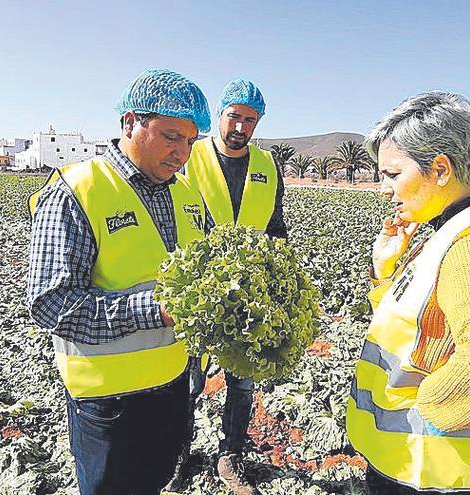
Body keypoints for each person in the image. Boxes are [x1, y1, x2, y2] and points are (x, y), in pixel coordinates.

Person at [26, 68, 211, 495]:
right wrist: (157, 310)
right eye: (170, 136)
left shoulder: (185, 194)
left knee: (155, 483)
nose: (182, 153)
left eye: (190, 140)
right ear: (130, 122)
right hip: (108, 402)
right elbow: (51, 303)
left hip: (171, 387)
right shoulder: (77, 191)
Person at [345, 92, 470, 494]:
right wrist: (384, 273)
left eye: (393, 174)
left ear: (441, 170)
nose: (384, 188)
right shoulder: (448, 229)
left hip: (427, 472)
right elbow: (423, 330)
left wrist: (427, 410)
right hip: (409, 464)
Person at [180, 79, 287, 495]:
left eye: (250, 119)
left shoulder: (266, 165)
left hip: (249, 296)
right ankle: (178, 455)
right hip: (199, 290)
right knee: (187, 381)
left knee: (242, 384)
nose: (240, 126)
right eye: (234, 116)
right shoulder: (190, 156)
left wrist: (277, 278)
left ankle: (231, 455)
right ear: (220, 115)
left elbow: (276, 227)